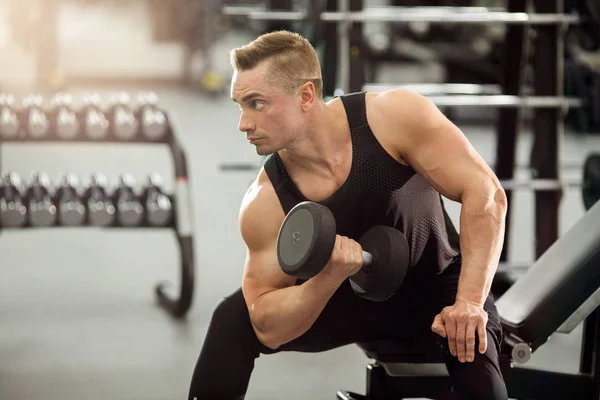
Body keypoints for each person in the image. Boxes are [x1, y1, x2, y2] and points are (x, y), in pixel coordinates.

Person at [188, 30, 509, 400]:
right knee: (234, 319)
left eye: (256, 103)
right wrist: (326, 278)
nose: (243, 123)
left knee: (479, 378)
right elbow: (265, 322)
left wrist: (469, 302)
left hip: (439, 289)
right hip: (352, 305)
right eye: (239, 105)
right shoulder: (266, 199)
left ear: (306, 95)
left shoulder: (392, 118)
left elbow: (485, 193)